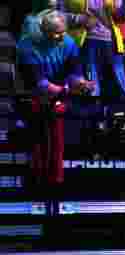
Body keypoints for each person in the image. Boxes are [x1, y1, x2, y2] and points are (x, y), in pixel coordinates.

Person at [17, 9, 96, 187]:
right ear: (45, 32)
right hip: (33, 96)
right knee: (38, 140)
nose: (62, 37)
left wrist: (81, 83)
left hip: (57, 95)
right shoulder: (27, 46)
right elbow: (39, 83)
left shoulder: (68, 43)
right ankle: (37, 180)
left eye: (63, 32)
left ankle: (55, 180)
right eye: (57, 33)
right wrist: (67, 90)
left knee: (57, 140)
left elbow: (74, 72)